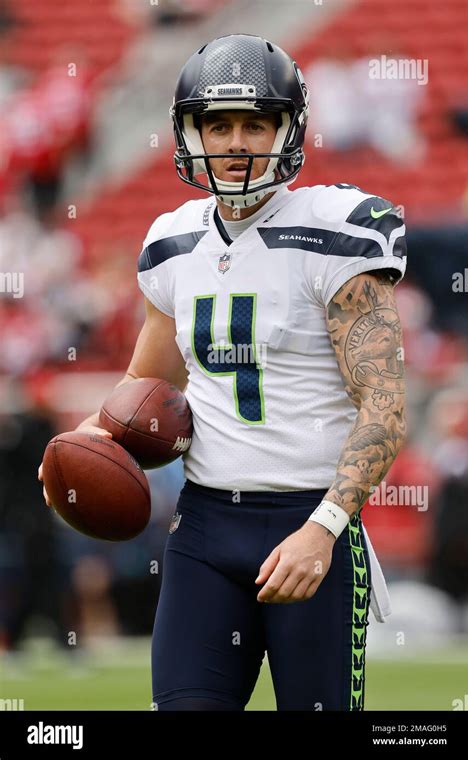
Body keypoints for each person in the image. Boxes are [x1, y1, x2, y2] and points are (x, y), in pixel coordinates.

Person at [39, 34, 407, 711]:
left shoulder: (339, 229)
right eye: (219, 124)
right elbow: (144, 389)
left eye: (255, 123)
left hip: (310, 519)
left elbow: (384, 407)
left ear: (286, 130)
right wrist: (84, 443)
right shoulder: (172, 242)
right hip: (205, 530)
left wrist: (324, 529)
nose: (236, 141)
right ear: (190, 132)